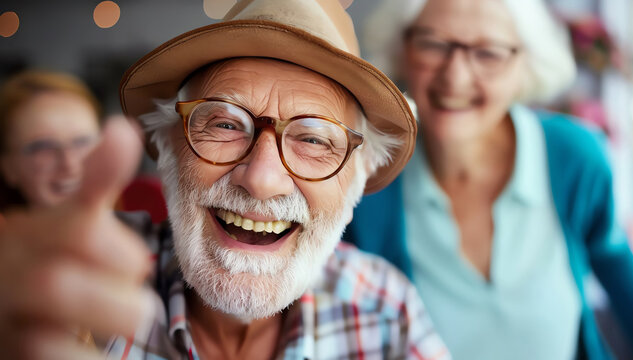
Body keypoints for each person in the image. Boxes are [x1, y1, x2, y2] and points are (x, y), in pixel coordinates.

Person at [0, 0, 451, 359]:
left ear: (355, 182)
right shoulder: (87, 270)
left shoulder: (386, 308)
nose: (261, 178)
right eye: (225, 124)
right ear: (169, 151)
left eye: (314, 140)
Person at [345, 0, 633, 359]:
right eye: (434, 44)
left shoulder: (574, 158)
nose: (455, 76)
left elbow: (627, 287)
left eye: (488, 53)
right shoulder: (370, 177)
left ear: (526, 63)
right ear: (403, 49)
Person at [0, 71, 101, 211]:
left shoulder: (140, 229)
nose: (70, 165)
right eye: (43, 146)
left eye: (82, 142)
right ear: (8, 167)